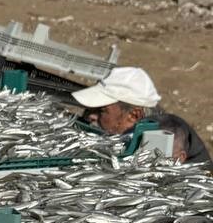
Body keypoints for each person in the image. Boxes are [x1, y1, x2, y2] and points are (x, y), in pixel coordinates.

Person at [73, 66, 206, 164]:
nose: (91, 116)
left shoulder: (161, 139)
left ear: (134, 116)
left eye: (101, 110)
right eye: (91, 109)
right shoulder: (144, 126)